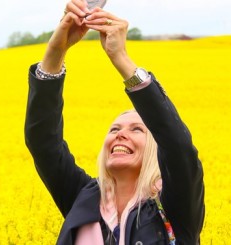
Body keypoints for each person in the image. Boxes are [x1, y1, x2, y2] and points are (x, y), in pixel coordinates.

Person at [24, 0, 205, 244]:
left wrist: (120, 57)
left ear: (155, 148)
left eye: (137, 129)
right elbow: (43, 143)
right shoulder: (83, 198)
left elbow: (177, 146)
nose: (120, 134)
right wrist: (56, 51)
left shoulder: (174, 205)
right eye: (115, 129)